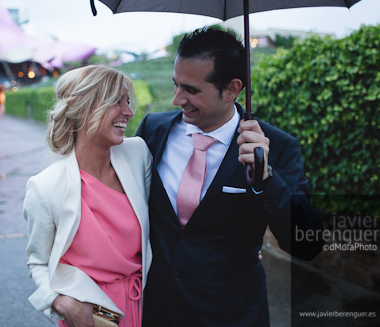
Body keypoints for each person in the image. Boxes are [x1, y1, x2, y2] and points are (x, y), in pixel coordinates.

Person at [136, 26, 323, 326]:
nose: (176, 99)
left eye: (191, 90)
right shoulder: (152, 130)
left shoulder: (278, 147)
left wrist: (266, 181)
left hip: (231, 316)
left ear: (232, 89)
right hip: (156, 310)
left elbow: (306, 244)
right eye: (176, 85)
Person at [23, 65, 152, 327]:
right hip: (93, 317)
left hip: (147, 306)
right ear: (86, 108)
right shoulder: (45, 186)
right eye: (118, 102)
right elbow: (38, 262)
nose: (129, 112)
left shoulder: (139, 154)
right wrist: (59, 301)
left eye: (128, 101)